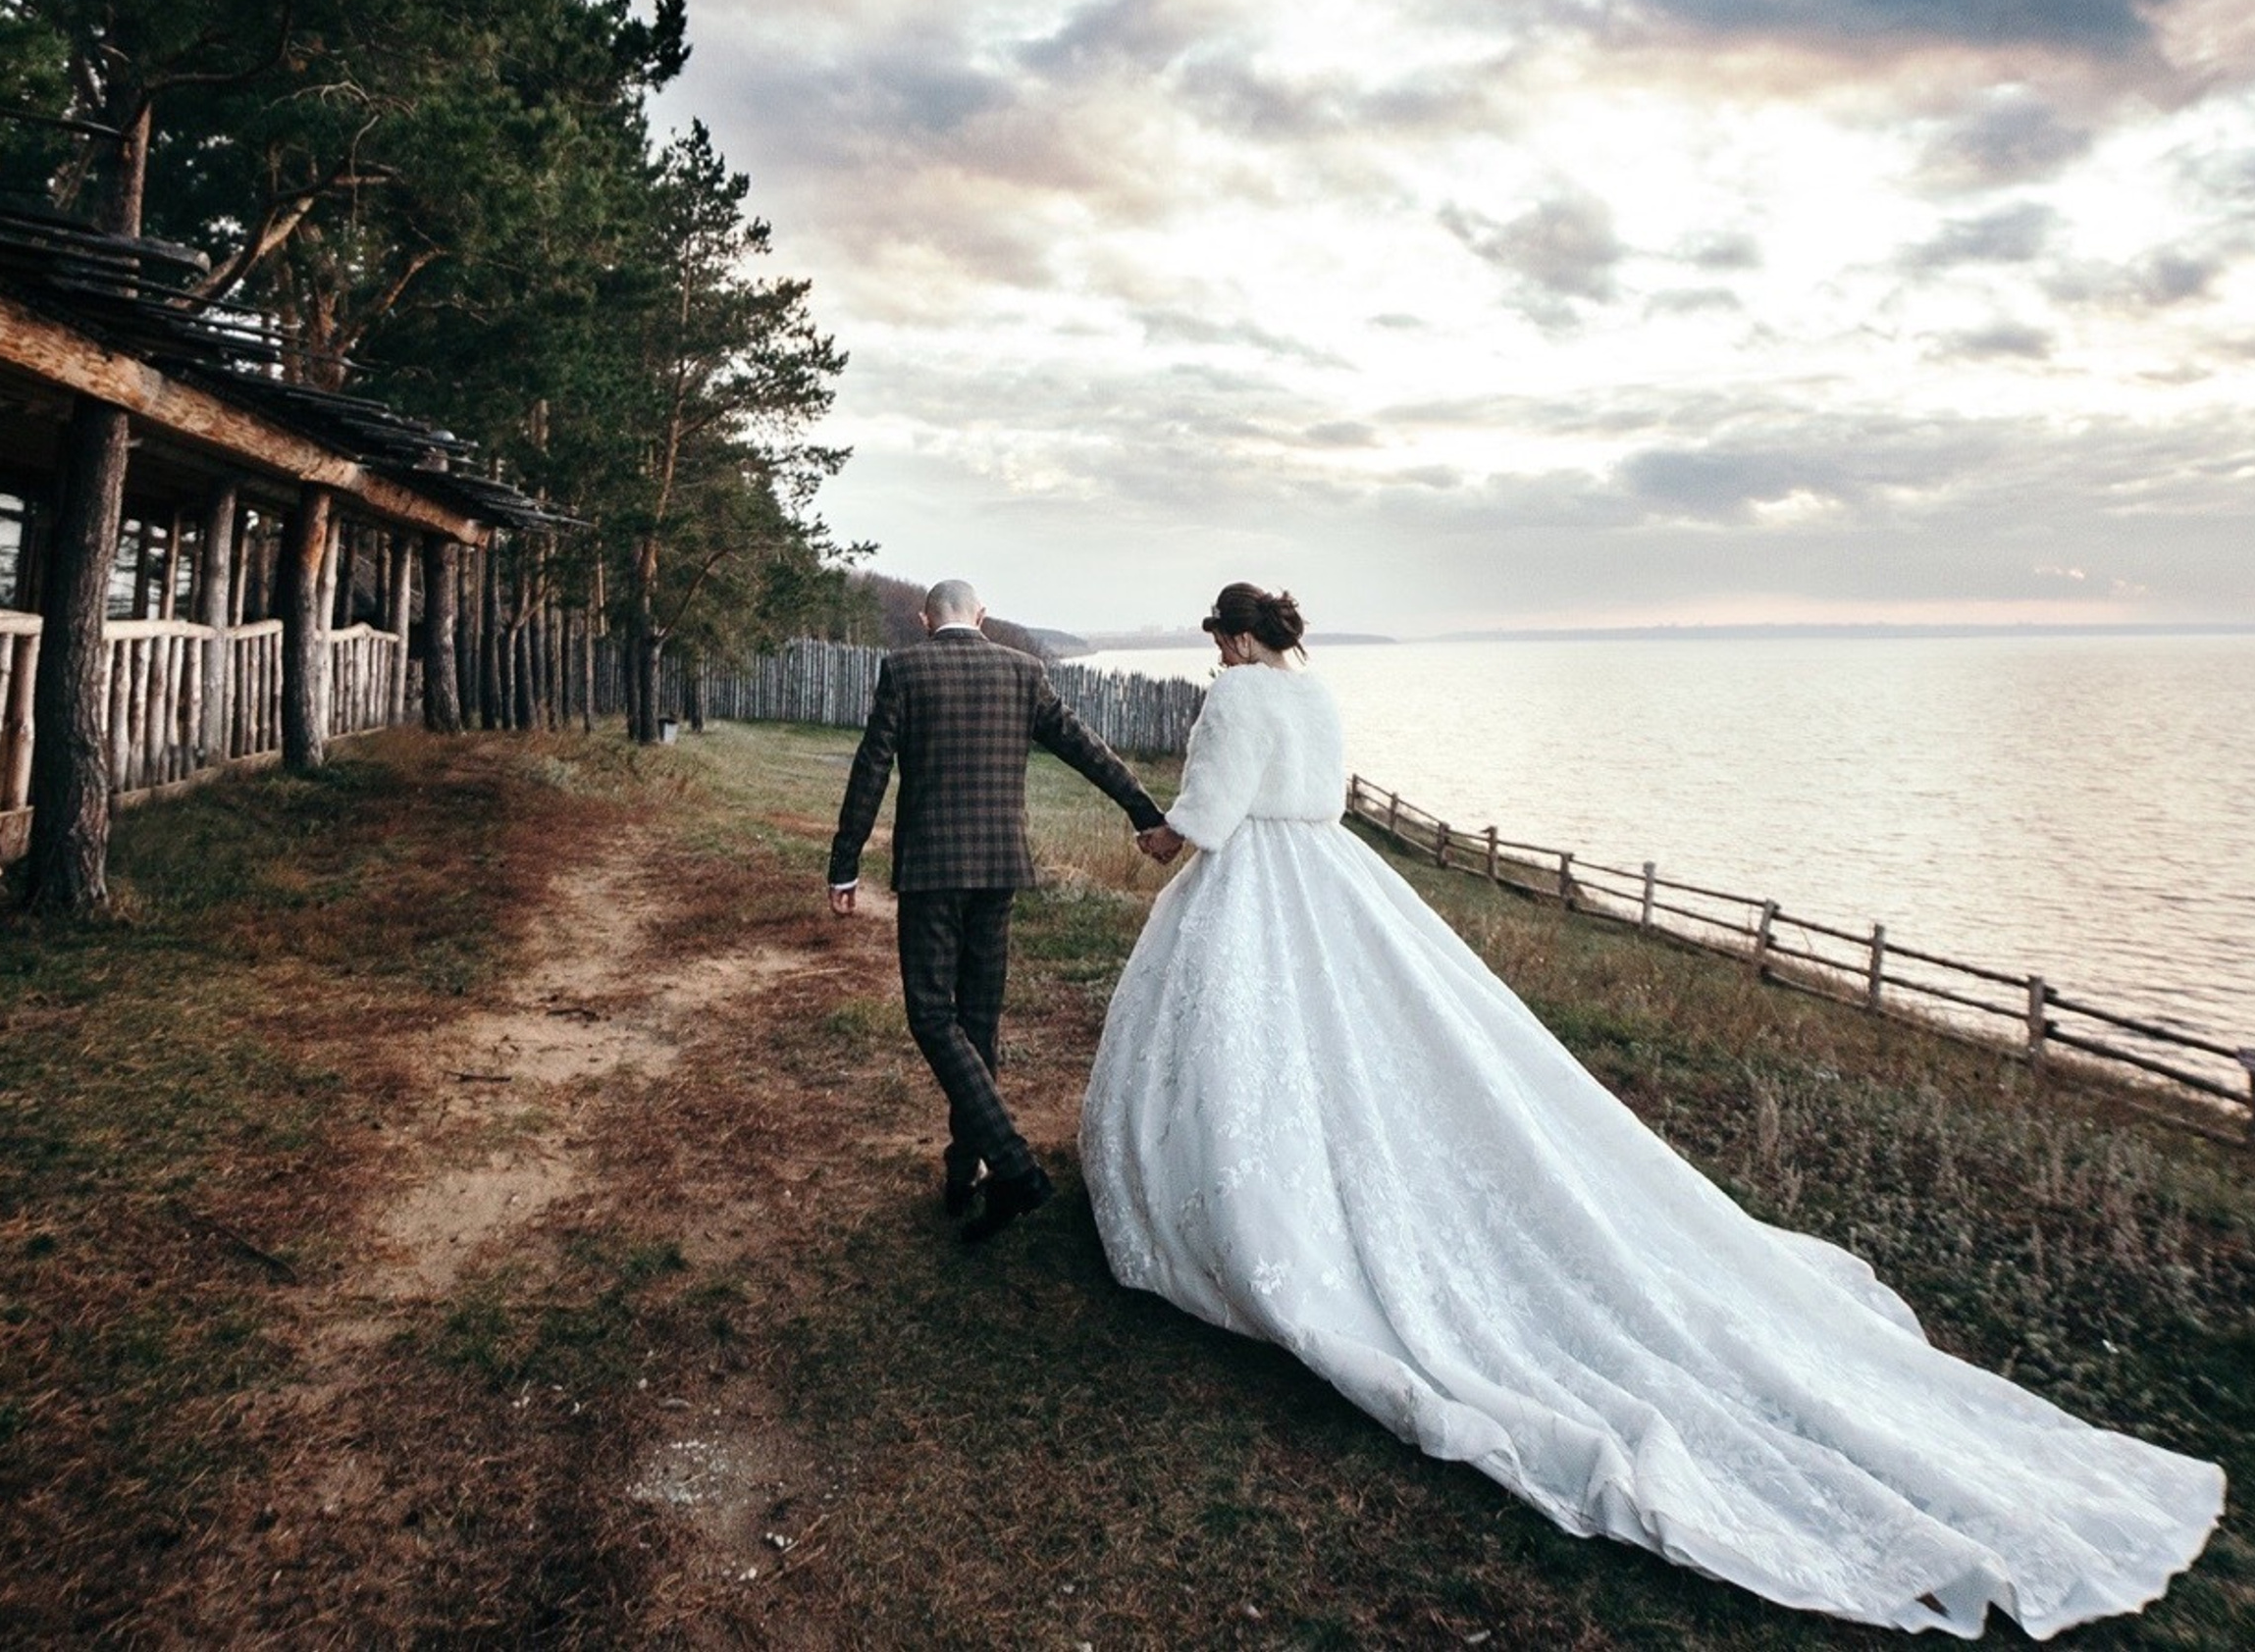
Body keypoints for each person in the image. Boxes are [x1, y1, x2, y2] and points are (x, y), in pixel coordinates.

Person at [1078, 582, 2225, 1638]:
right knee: (1358, 1056)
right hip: (1334, 883)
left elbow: (1214, 814)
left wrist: (1158, 839)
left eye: (1218, 642)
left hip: (1255, 893)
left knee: (1244, 1053)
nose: (1220, 657)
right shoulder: (1320, 695)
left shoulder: (1231, 698)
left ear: (1231, 640)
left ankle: (1235, 1211)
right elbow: (1314, 799)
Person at [829, 578, 1180, 1241]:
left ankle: (1011, 1166)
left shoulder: (904, 667)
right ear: (981, 617)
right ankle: (966, 1173)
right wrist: (1145, 813)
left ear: (924, 618)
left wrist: (845, 863)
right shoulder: (1022, 670)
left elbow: (871, 766)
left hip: (932, 871)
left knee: (933, 1016)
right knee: (977, 1024)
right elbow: (1084, 746)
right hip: (997, 870)